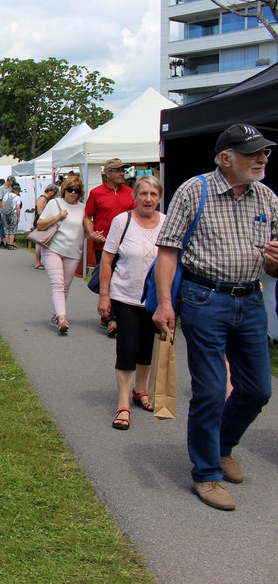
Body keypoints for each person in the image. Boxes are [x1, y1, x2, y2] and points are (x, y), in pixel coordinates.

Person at [153, 124, 278, 511]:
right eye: (253, 153)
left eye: (265, 153)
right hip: (204, 299)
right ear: (226, 159)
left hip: (251, 300)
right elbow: (168, 251)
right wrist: (164, 303)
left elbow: (273, 267)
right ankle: (206, 473)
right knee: (209, 390)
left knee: (258, 389)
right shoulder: (195, 190)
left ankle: (222, 447)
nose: (262, 159)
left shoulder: (268, 197)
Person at [97, 175, 166, 431]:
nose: (148, 199)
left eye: (154, 194)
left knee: (147, 348)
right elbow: (107, 259)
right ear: (135, 196)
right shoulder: (122, 221)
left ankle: (141, 390)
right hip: (124, 295)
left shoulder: (167, 223)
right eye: (143, 194)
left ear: (159, 198)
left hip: (155, 299)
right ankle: (123, 403)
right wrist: (105, 295)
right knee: (128, 347)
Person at [84, 158, 134, 338]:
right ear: (107, 173)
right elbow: (87, 217)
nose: (122, 173)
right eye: (117, 170)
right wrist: (90, 233)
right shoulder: (96, 193)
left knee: (121, 280)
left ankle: (112, 316)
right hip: (103, 244)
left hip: (127, 245)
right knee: (108, 280)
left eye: (123, 170)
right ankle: (112, 317)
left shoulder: (130, 192)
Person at [36, 174, 86, 334]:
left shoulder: (83, 208)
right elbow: (40, 224)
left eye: (76, 191)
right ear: (64, 190)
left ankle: (55, 315)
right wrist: (58, 216)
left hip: (73, 251)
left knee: (65, 285)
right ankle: (62, 318)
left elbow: (87, 229)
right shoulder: (54, 203)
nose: (73, 193)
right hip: (53, 249)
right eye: (70, 189)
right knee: (57, 283)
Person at [31, 183, 58, 270]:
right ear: (50, 191)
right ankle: (38, 262)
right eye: (54, 192)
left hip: (44, 222)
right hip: (42, 222)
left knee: (43, 242)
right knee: (40, 242)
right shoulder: (43, 198)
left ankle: (42, 261)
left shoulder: (45, 198)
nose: (54, 195)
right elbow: (40, 212)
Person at [1, 183, 23, 249]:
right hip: (13, 213)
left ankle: (7, 243)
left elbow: (3, 205)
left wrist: (2, 213)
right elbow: (18, 207)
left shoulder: (6, 195)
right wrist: (18, 216)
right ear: (16, 191)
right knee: (12, 228)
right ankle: (11, 244)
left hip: (5, 213)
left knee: (6, 228)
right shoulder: (17, 197)